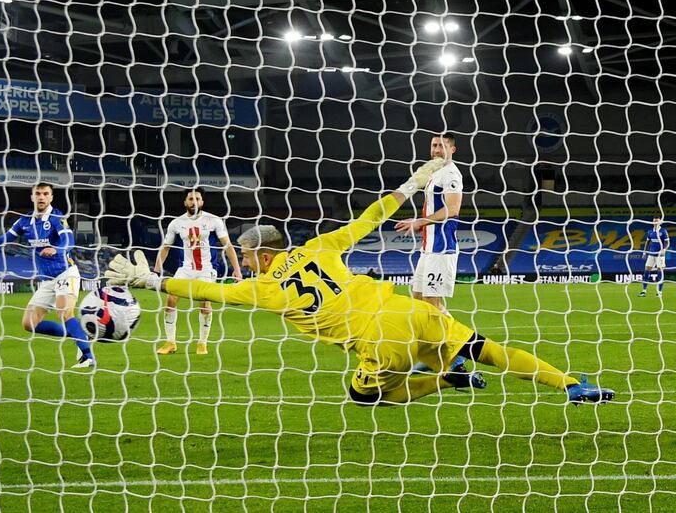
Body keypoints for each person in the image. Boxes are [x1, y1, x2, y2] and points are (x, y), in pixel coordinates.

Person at [105, 164, 615, 406]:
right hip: (410, 312)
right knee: (488, 347)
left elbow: (207, 291)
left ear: (262, 254)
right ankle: (572, 385)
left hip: (379, 344)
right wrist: (412, 186)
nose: (244, 260)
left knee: (367, 397)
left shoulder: (263, 287)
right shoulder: (321, 245)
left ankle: (443, 381)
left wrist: (151, 278)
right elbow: (370, 218)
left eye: (245, 254)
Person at [0, 182, 95, 369]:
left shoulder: (56, 217)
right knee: (29, 323)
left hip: (65, 273)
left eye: (46, 193)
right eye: (38, 193)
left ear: (51, 197)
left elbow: (68, 239)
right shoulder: (24, 222)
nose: (41, 197)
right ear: (32, 197)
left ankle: (88, 356)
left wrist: (56, 248)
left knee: (64, 312)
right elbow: (4, 239)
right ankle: (78, 334)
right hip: (47, 280)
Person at [154, 187, 243, 355]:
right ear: (185, 202)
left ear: (202, 201)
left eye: (197, 199)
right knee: (171, 300)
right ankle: (170, 342)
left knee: (204, 302)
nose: (193, 202)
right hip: (185, 269)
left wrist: (237, 270)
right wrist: (156, 271)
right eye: (190, 199)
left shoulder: (213, 221)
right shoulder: (176, 223)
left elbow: (228, 246)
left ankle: (202, 343)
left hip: (207, 269)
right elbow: (165, 248)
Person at [395, 133, 461, 316]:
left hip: (442, 248)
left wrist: (421, 222)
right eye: (434, 145)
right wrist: (419, 224)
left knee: (431, 304)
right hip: (428, 248)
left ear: (452, 149)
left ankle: (458, 340)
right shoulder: (435, 172)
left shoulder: (451, 174)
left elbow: (453, 208)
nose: (437, 150)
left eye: (442, 146)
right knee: (417, 300)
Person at [638, 216, 669, 297]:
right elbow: (647, 242)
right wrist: (644, 252)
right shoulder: (650, 231)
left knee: (660, 272)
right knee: (646, 271)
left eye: (657, 221)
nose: (655, 222)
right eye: (654, 221)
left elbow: (667, 242)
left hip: (660, 255)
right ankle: (644, 291)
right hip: (651, 254)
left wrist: (664, 249)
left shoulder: (663, 231)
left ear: (660, 222)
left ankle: (659, 292)